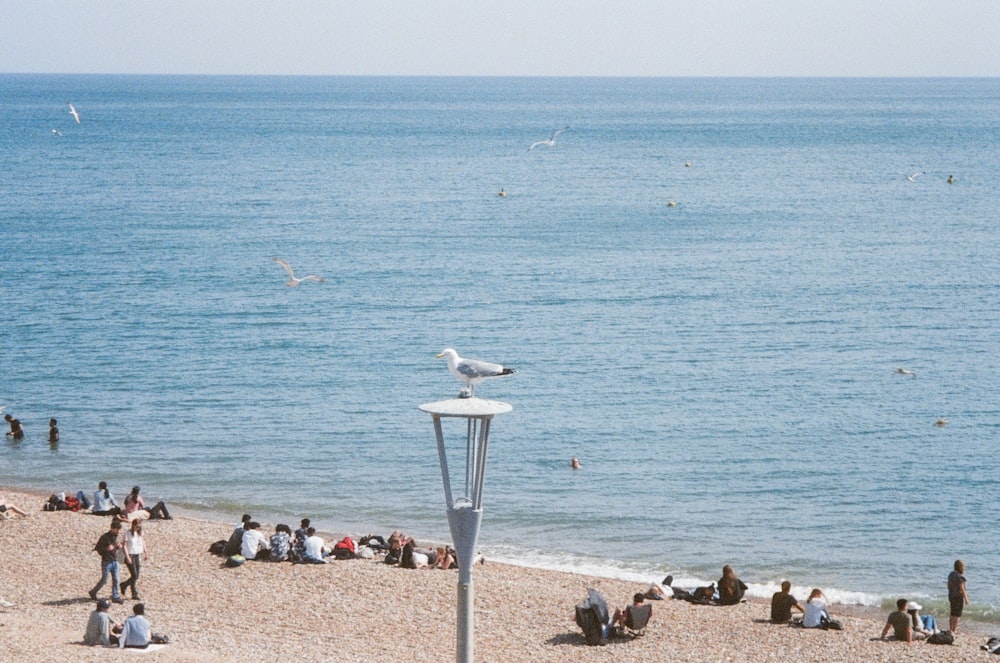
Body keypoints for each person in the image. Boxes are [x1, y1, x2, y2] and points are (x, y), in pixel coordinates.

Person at [89, 518, 125, 604]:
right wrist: (107, 549)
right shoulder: (105, 537)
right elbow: (97, 548)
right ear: (112, 528)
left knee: (116, 579)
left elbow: (114, 547)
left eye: (118, 530)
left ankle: (115, 596)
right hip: (106, 561)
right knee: (104, 580)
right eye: (117, 529)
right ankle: (93, 592)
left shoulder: (115, 537)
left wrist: (118, 546)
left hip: (114, 560)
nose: (118, 531)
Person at [119, 518, 148, 600]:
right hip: (130, 555)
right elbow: (124, 545)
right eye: (136, 526)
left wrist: (146, 552)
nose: (138, 528)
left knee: (136, 575)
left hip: (137, 555)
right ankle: (134, 593)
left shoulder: (140, 533)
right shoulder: (127, 533)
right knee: (134, 575)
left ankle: (124, 585)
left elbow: (143, 542)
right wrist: (127, 557)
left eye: (139, 526)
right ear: (133, 525)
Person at [948, 559, 969, 633]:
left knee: (952, 612)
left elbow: (948, 584)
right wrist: (966, 598)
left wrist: (950, 591)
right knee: (957, 614)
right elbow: (962, 588)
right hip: (958, 597)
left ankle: (951, 629)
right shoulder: (960, 577)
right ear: (961, 567)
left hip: (951, 595)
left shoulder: (951, 574)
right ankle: (954, 630)